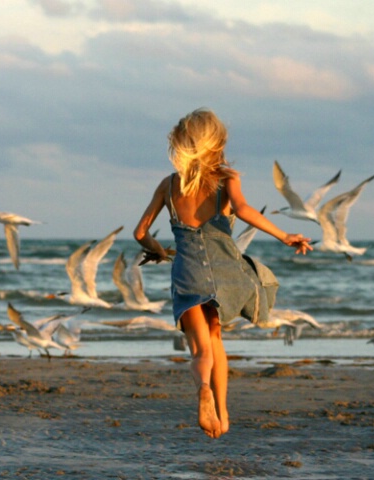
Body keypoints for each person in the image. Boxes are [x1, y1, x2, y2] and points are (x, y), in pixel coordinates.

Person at [133, 108, 312, 439]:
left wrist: (158, 251)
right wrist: (285, 236)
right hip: (225, 272)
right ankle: (224, 413)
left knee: (200, 349)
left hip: (187, 274)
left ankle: (203, 388)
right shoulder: (227, 178)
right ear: (217, 142)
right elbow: (243, 211)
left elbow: (140, 232)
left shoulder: (169, 185)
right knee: (217, 339)